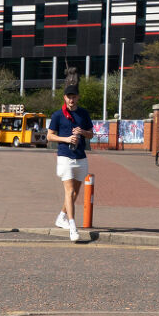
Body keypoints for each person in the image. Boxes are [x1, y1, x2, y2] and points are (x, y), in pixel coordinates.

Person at [47, 81, 93, 242]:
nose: (71, 100)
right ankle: (73, 227)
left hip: (80, 156)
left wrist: (83, 132)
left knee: (75, 193)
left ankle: (61, 216)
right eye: (69, 97)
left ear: (78, 97)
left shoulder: (83, 113)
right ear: (64, 98)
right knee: (69, 190)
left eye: (74, 97)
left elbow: (91, 134)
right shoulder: (57, 115)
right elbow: (49, 136)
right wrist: (66, 139)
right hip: (64, 156)